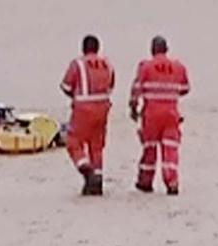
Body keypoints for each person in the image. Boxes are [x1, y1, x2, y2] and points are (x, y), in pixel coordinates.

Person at [130, 36, 190, 195]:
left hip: (151, 114)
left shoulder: (145, 67)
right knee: (170, 149)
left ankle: (145, 181)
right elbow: (185, 89)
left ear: (152, 50)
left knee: (149, 148)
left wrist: (133, 108)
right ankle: (172, 182)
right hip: (171, 114)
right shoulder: (179, 67)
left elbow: (136, 90)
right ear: (166, 49)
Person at [60, 35, 116, 196]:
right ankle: (97, 181)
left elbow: (66, 86)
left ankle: (86, 170)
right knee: (96, 146)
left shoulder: (77, 64)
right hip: (103, 108)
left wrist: (75, 97)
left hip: (83, 108)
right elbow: (111, 86)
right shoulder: (108, 64)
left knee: (73, 141)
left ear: (83, 48)